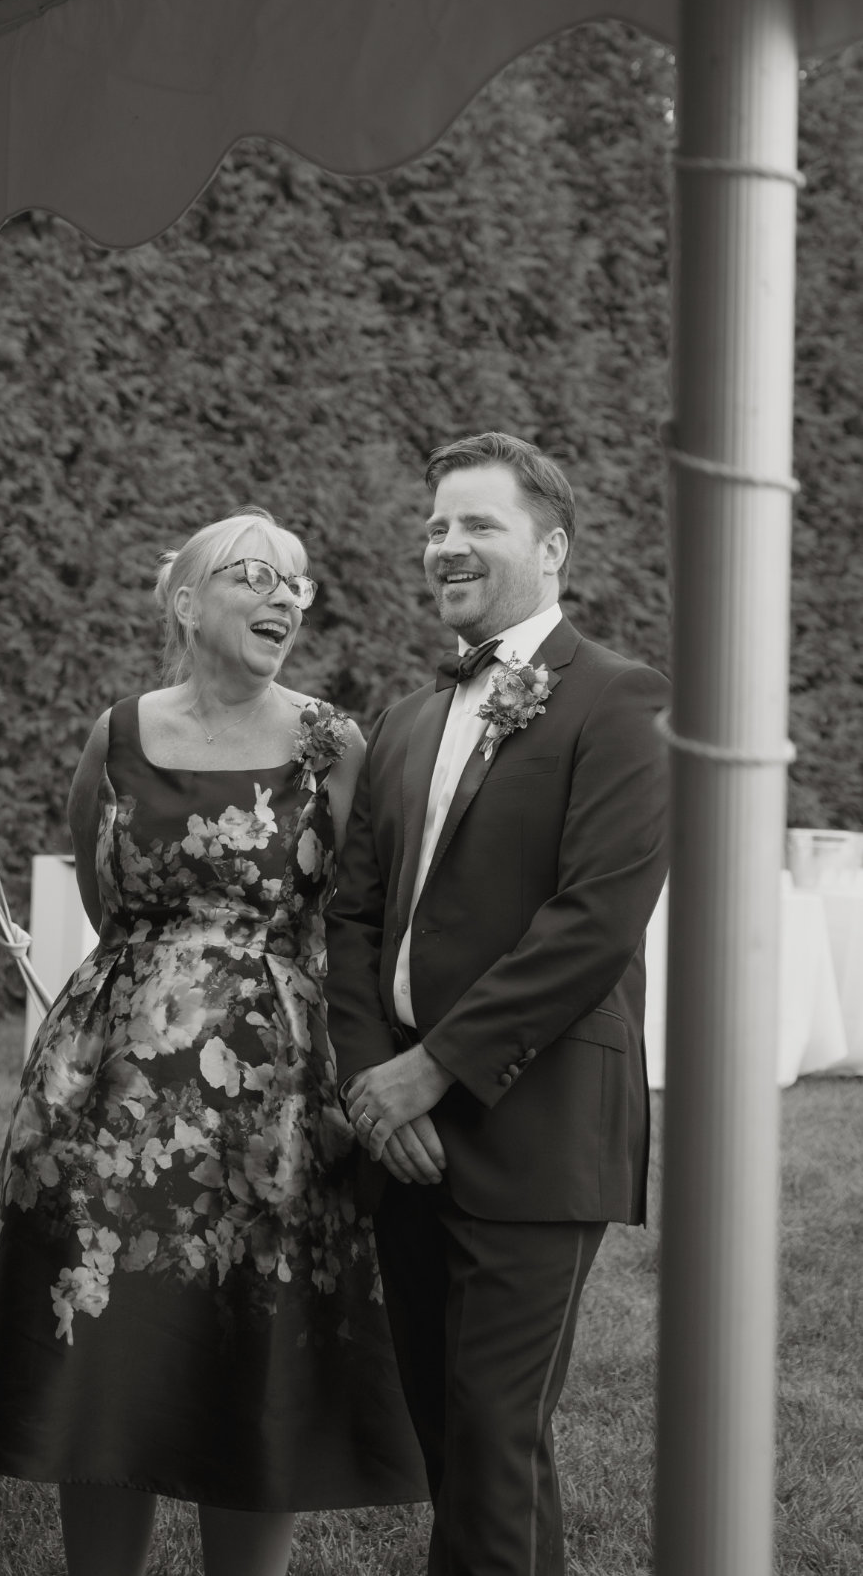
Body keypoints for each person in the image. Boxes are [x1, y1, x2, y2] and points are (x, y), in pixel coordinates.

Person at [0, 507, 427, 1576]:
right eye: (257, 574)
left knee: (253, 1340)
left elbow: (359, 917)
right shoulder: (115, 733)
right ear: (187, 601)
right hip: (106, 1089)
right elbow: (105, 887)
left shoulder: (331, 742)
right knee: (107, 1335)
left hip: (274, 1096)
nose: (286, 595)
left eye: (299, 580)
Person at [324, 432, 670, 1576]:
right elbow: (353, 917)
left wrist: (437, 1068)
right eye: (433, 525)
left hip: (538, 1117)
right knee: (458, 1434)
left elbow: (595, 917)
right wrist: (382, 1088)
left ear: (551, 546)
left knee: (488, 1426)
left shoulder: (621, 700)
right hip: (403, 1124)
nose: (446, 544)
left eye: (477, 523)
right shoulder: (407, 719)